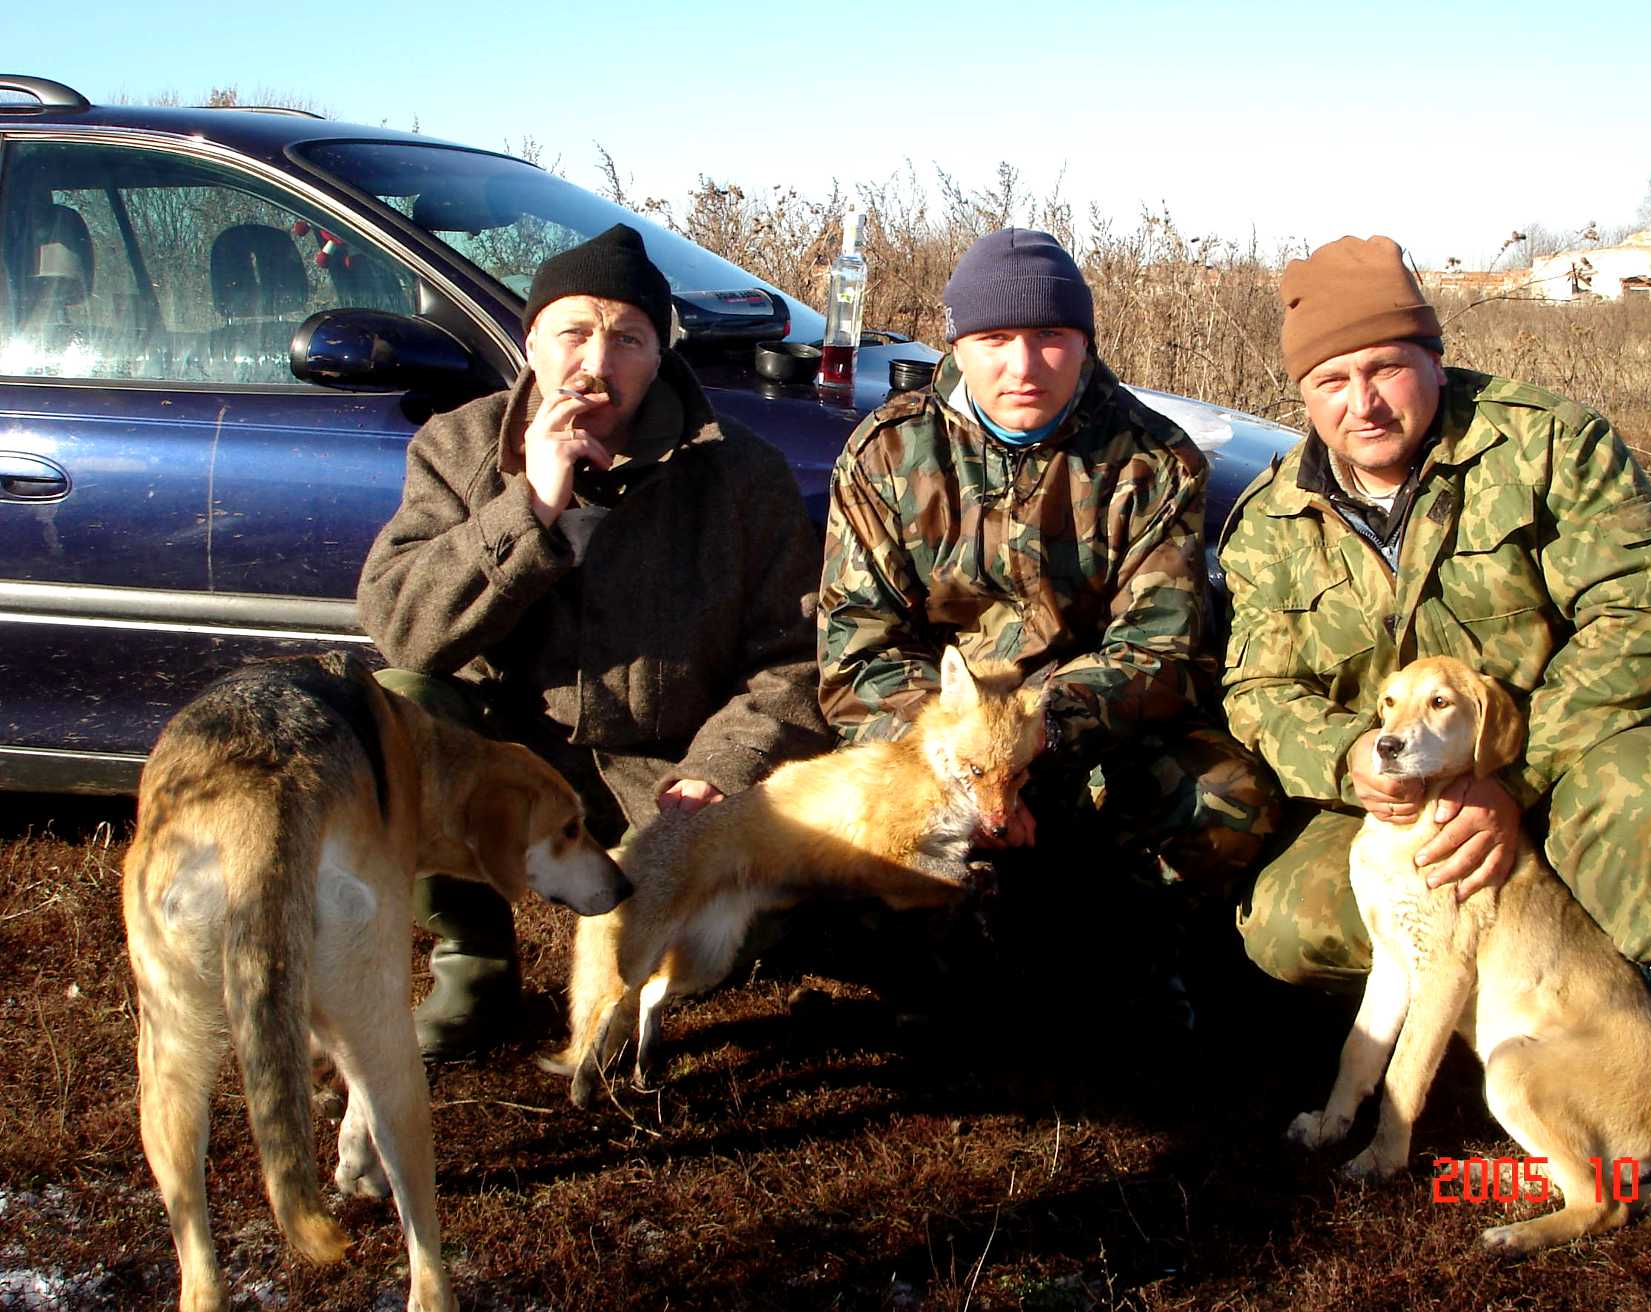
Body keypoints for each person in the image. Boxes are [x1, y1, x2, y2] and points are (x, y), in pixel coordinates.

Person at [358, 224, 827, 1058]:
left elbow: (794, 660)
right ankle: (474, 966)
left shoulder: (740, 473)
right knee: (397, 711)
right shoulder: (461, 448)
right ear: (532, 340)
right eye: (574, 331)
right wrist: (528, 508)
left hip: (668, 770)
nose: (597, 362)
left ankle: (679, 948)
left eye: (628, 339)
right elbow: (403, 630)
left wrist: (716, 773)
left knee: (747, 941)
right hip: (511, 760)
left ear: (661, 353)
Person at [1219, 234, 1651, 995]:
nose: (1364, 404)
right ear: (1305, 392)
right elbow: (1257, 690)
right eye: (1332, 381)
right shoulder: (1273, 516)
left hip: (1570, 752)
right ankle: (1478, 1006)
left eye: (1385, 367)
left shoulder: (1547, 444)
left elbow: (1645, 620)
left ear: (1434, 357)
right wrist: (1352, 757)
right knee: (1291, 922)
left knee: (1645, 804)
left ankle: (1639, 1010)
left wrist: (1507, 780)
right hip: (1403, 784)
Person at [817, 227, 1278, 1017]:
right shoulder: (885, 453)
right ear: (959, 345)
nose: (1023, 366)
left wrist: (1034, 749)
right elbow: (857, 648)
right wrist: (963, 768)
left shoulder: (1153, 460)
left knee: (1228, 796)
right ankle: (932, 961)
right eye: (995, 339)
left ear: (1085, 342)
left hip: (1082, 738)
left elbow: (1164, 650)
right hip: (933, 744)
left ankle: (1141, 956)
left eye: (1051, 338)